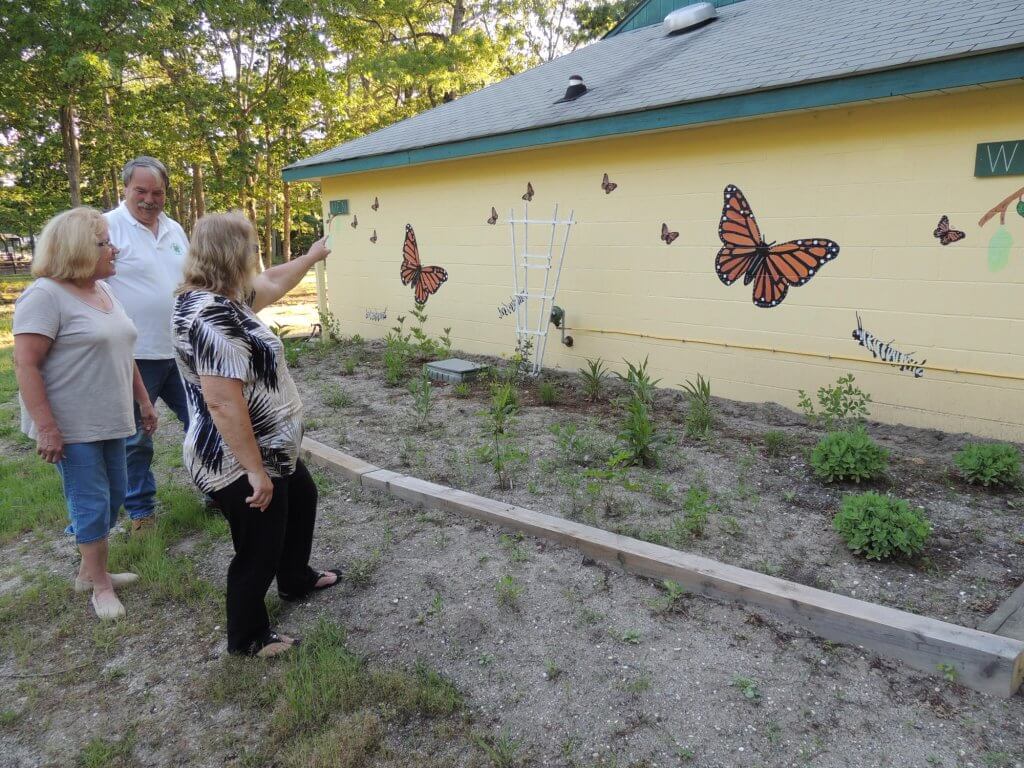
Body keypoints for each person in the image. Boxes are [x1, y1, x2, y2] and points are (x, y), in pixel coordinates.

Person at [172, 211, 340, 657]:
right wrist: (254, 472)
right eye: (249, 246)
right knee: (258, 546)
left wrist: (311, 257)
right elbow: (222, 403)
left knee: (301, 498)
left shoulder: (225, 298)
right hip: (236, 457)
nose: (256, 254)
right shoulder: (211, 317)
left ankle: (295, 579)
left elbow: (271, 283)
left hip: (269, 448)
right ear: (231, 253)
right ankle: (247, 637)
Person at [13, 207, 159, 620]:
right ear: (78, 248)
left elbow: (123, 349)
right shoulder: (44, 295)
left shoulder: (103, 290)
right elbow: (25, 364)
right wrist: (46, 428)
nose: (113, 249)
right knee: (91, 502)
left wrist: (144, 401)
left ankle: (86, 571)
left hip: (111, 416)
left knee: (114, 496)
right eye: (104, 243)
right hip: (71, 425)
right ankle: (100, 585)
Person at [104, 156, 191, 532]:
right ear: (125, 188)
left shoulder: (175, 230)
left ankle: (216, 489)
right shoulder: (107, 228)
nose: (149, 199)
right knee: (136, 439)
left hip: (183, 349)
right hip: (136, 356)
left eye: (157, 192)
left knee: (205, 421)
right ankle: (141, 511)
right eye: (141, 190)